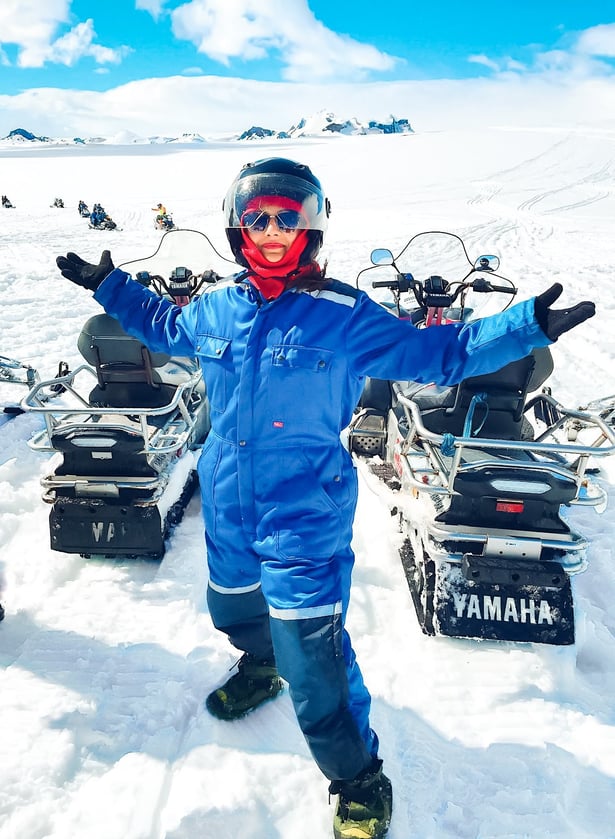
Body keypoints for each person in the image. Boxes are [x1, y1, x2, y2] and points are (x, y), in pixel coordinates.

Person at [56, 157, 595, 839]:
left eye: (287, 216)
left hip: (303, 507)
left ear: (309, 225)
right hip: (226, 498)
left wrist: (525, 326)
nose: (272, 229)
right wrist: (111, 286)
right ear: (237, 225)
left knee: (313, 657)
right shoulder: (217, 304)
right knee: (230, 604)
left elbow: (440, 353)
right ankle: (258, 661)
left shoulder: (341, 314)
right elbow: (165, 326)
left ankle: (357, 777)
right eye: (258, 217)